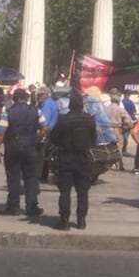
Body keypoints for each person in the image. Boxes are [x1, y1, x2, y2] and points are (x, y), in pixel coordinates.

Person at [48, 90, 97, 230]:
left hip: (66, 158)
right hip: (83, 158)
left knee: (65, 190)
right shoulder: (90, 120)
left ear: (70, 105)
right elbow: (94, 140)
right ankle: (81, 220)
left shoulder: (64, 120)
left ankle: (64, 220)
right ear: (82, 105)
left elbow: (53, 137)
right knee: (83, 191)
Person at [0, 88, 46, 218]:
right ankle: (32, 206)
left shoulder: (8, 112)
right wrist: (37, 139)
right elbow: (44, 128)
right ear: (26, 98)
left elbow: (1, 132)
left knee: (13, 177)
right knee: (31, 177)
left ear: (14, 99)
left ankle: (13, 206)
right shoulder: (36, 111)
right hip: (30, 147)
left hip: (13, 148)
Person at [36, 86, 59, 182]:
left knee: (41, 154)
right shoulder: (51, 103)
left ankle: (40, 175)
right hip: (52, 131)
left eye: (41, 95)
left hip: (47, 132)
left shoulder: (46, 104)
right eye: (38, 95)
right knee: (46, 154)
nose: (39, 97)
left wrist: (40, 135)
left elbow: (44, 122)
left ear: (46, 95)